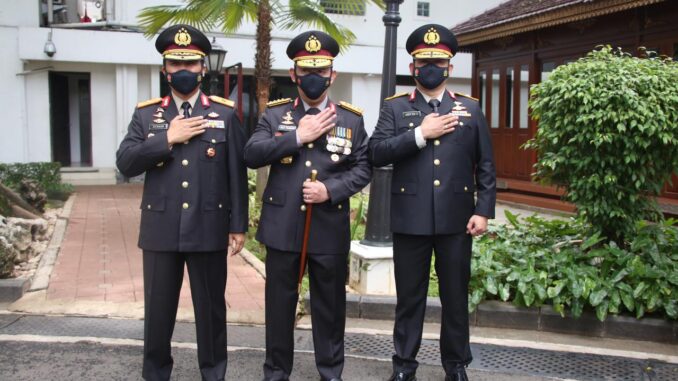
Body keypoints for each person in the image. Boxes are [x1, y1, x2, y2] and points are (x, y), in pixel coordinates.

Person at [116, 24, 248, 381]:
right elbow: (125, 163)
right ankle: (156, 374)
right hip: (160, 230)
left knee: (211, 312)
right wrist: (166, 139)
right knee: (159, 313)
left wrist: (238, 225)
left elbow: (235, 172)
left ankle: (213, 374)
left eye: (191, 63)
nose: (183, 70)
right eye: (176, 63)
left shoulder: (223, 113)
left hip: (208, 226)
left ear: (203, 67)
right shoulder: (147, 116)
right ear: (164, 69)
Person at [368, 24, 496, 381]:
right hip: (410, 219)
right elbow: (376, 153)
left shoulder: (469, 108)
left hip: (458, 221)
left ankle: (455, 366)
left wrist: (483, 209)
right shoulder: (395, 109)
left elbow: (485, 164)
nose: (431, 66)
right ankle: (404, 366)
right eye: (424, 61)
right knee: (410, 299)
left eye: (438, 61)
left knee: (455, 298)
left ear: (450, 67)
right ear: (412, 67)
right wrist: (420, 134)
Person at [243, 30, 372, 381]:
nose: (314, 77)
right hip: (283, 228)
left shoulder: (350, 119)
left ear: (333, 74)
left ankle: (330, 373)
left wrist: (330, 190)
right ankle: (276, 373)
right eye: (306, 70)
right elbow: (252, 154)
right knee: (280, 308)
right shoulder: (275, 116)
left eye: (321, 70)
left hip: (328, 228)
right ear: (294, 74)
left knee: (329, 310)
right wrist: (298, 135)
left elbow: (363, 168)